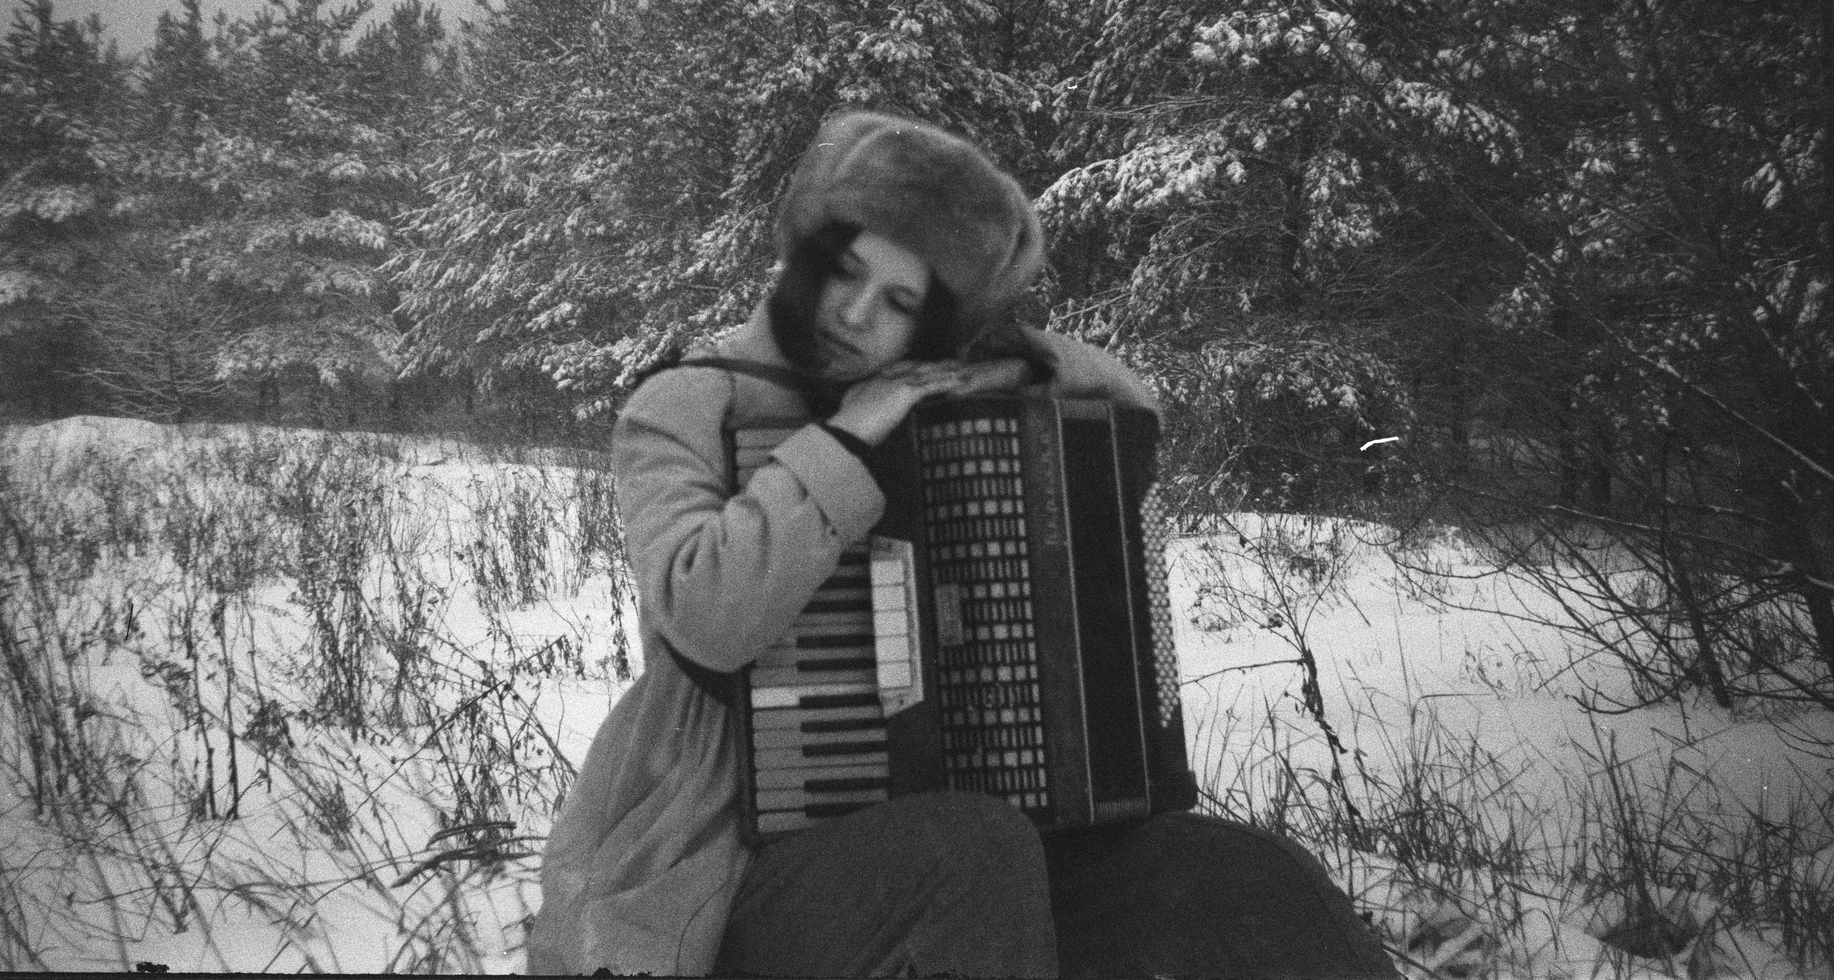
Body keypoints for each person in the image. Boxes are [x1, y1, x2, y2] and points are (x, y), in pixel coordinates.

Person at [527, 111, 1397, 978]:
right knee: (971, 848)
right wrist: (845, 442)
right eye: (846, 272)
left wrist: (1014, 360)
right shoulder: (688, 401)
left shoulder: (930, 401)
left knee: (1243, 873)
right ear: (804, 253)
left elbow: (1136, 407)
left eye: (902, 302)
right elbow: (708, 613)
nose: (858, 314)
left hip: (979, 853)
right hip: (729, 874)